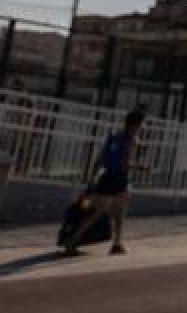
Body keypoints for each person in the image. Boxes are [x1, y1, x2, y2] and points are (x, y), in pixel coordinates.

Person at [62, 106, 146, 256]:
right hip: (119, 178)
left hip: (107, 177)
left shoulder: (114, 136)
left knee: (111, 212)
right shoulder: (131, 140)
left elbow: (100, 158)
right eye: (141, 124)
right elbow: (124, 164)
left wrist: (92, 176)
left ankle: (117, 244)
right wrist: (141, 167)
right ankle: (73, 239)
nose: (141, 128)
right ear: (136, 124)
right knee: (106, 213)